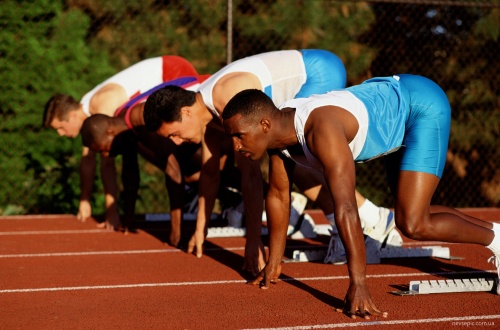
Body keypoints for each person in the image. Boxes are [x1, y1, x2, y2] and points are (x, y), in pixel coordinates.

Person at [221, 74, 500, 319]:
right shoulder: (278, 139)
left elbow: (346, 208)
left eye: (239, 135)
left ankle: (497, 240)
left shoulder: (321, 130)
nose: (235, 146)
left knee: (414, 224)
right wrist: (274, 262)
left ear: (265, 124)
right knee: (408, 216)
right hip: (392, 105)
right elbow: (279, 197)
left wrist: (359, 283)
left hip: (419, 106)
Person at [143, 49, 397, 274]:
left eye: (174, 134)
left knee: (294, 155)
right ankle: (371, 216)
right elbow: (210, 174)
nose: (176, 143)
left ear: (186, 112)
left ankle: (367, 219)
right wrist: (201, 230)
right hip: (316, 65)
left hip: (318, 71)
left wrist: (253, 242)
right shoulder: (208, 112)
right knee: (290, 159)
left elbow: (251, 177)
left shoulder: (225, 99)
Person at [42, 55, 203, 230]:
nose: (60, 134)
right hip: (167, 72)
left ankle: (204, 189)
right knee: (143, 144)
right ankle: (194, 188)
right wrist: (84, 200)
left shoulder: (101, 105)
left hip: (172, 71)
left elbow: (107, 163)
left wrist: (111, 212)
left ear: (72, 116)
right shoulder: (88, 112)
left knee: (170, 145)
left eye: (60, 127)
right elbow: (87, 160)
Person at [80, 78, 234, 244]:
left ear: (110, 132)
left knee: (200, 170)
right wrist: (129, 217)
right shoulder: (126, 130)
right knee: (192, 173)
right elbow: (130, 173)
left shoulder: (141, 122)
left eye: (102, 148)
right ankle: (235, 201)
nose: (105, 154)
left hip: (210, 102)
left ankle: (243, 200)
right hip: (192, 108)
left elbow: (173, 172)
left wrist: (176, 231)